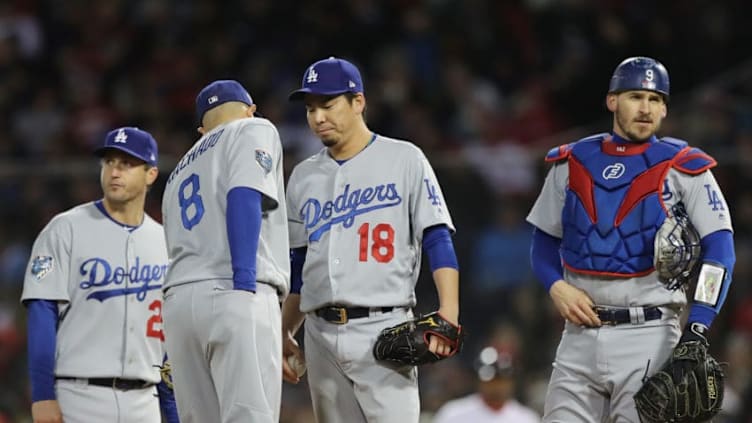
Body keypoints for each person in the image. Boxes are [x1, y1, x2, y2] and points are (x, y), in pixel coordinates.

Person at [527, 56, 736, 422]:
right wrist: (556, 286)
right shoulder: (572, 161)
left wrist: (698, 328)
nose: (646, 108)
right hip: (578, 336)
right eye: (636, 96)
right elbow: (543, 242)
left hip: (650, 336)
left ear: (666, 109)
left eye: (656, 99)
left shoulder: (684, 167)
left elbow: (721, 251)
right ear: (612, 100)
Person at [281, 56, 461, 423]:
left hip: (384, 328)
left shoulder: (404, 158)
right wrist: (285, 330)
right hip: (319, 334)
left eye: (328, 105)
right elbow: (300, 266)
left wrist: (449, 313)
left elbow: (437, 236)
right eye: (310, 109)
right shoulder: (302, 175)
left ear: (358, 102)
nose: (317, 118)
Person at [21, 127, 179, 423]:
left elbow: (170, 338)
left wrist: (172, 412)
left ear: (151, 175)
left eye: (127, 164)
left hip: (145, 401)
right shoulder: (65, 228)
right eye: (109, 162)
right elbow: (42, 312)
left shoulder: (166, 242)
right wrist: (42, 395)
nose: (114, 172)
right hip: (78, 395)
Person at [161, 80, 289, 423]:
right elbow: (244, 194)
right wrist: (244, 282)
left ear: (202, 129)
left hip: (179, 305)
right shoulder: (252, 127)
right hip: (232, 288)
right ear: (250, 108)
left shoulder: (178, 171)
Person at [433, 346, 540, 423]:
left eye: (501, 380)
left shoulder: (527, 418)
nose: (496, 386)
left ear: (511, 382)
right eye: (491, 380)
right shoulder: (453, 413)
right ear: (479, 380)